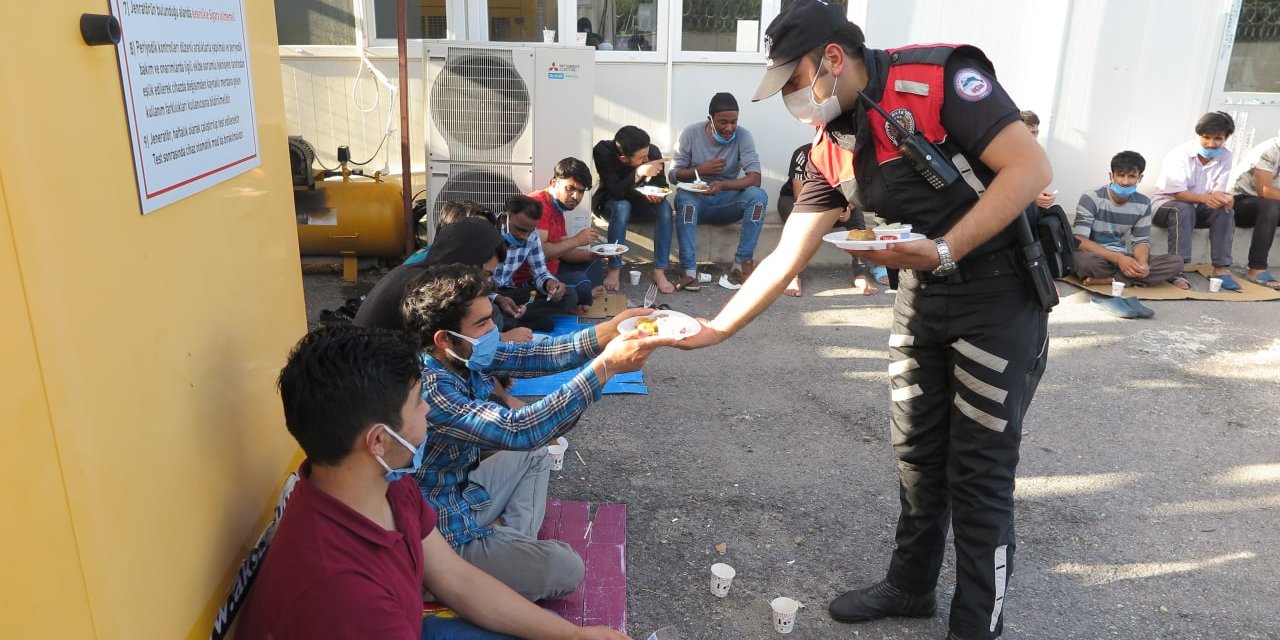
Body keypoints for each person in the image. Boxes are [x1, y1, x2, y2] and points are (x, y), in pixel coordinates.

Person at [678, 2, 1052, 638]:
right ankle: (910, 587)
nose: (794, 100)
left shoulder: (939, 79)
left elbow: (1031, 169)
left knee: (979, 472)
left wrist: (943, 249)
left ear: (830, 59)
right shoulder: (832, 145)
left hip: (997, 298)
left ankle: (974, 625)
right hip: (921, 296)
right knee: (916, 455)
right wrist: (716, 329)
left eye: (794, 83)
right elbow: (784, 256)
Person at [236, 325, 629, 640]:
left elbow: (456, 579)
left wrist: (573, 635)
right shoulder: (343, 595)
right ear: (378, 441)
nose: (427, 409)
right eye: (418, 403)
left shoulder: (388, 484)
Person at [401, 265, 672, 602]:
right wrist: (605, 368)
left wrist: (612, 329)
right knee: (566, 568)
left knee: (535, 455)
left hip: (462, 495)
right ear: (444, 338)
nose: (493, 332)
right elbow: (519, 430)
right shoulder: (432, 388)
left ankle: (503, 552)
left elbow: (537, 354)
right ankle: (453, 579)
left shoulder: (461, 355)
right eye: (483, 324)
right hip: (440, 535)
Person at [355, 217, 532, 343]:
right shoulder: (429, 289)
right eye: (484, 274)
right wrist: (504, 339)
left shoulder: (417, 270)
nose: (484, 283)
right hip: (374, 378)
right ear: (468, 261)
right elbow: (452, 348)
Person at [669, 92, 769, 290]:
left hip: (726, 201)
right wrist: (700, 170)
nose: (729, 128)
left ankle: (741, 264)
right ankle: (689, 270)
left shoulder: (743, 136)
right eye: (723, 122)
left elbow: (755, 179)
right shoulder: (691, 133)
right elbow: (672, 175)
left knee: (758, 198)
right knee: (685, 201)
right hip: (696, 199)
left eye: (734, 122)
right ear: (710, 119)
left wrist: (723, 185)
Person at [777, 142, 884, 296]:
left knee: (857, 216)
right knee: (796, 214)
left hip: (836, 202)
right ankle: (793, 274)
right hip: (799, 203)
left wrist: (847, 208)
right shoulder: (803, 154)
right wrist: (832, 210)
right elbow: (800, 197)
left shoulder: (849, 156)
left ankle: (860, 274)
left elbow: (857, 192)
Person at [1151, 111, 1239, 290]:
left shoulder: (1226, 157)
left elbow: (1218, 191)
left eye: (1218, 139)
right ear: (1198, 135)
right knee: (1183, 208)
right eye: (1206, 137)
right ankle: (1176, 269)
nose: (1211, 144)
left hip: (1198, 208)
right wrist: (1208, 198)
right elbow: (1178, 194)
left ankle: (1221, 269)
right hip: (1165, 207)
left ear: (1226, 138)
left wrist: (1226, 199)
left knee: (1225, 210)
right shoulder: (1180, 154)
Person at [591, 125, 676, 293]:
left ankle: (660, 271)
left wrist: (659, 194)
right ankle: (614, 268)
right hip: (612, 203)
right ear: (623, 158)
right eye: (642, 158)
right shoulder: (603, 151)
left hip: (641, 204)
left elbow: (662, 185)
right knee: (623, 206)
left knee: (665, 207)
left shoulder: (651, 151)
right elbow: (615, 191)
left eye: (647, 155)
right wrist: (639, 172)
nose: (647, 159)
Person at [522, 158, 604, 313]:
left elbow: (564, 253)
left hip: (554, 269)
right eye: (570, 188)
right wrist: (577, 240)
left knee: (595, 263)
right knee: (581, 282)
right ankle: (581, 299)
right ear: (554, 182)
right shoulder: (537, 205)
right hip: (535, 279)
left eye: (580, 191)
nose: (575, 196)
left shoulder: (558, 207)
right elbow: (540, 253)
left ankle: (582, 298)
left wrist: (597, 255)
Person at [493, 195, 578, 331]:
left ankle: (515, 319)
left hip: (510, 292)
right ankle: (518, 321)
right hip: (485, 295)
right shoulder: (487, 232)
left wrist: (549, 284)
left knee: (569, 295)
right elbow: (473, 283)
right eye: (520, 229)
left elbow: (539, 271)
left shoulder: (532, 235)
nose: (524, 236)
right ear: (504, 218)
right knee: (481, 310)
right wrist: (497, 298)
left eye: (529, 231)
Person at [1229, 134, 1280, 290]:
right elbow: (1265, 192)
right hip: (1241, 203)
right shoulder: (1270, 150)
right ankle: (1256, 268)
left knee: (1272, 206)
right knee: (1270, 205)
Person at [1019, 110, 1058, 211]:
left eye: (1036, 132)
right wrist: (1032, 198)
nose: (1035, 137)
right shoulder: (1005, 154)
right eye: (1031, 132)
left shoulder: (1036, 151)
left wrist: (1044, 196)